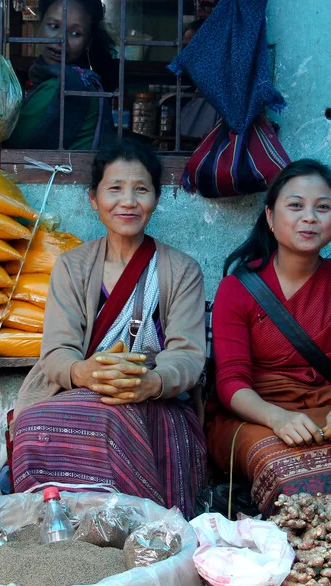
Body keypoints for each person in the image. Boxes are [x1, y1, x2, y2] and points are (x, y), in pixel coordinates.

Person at [11, 139, 207, 517]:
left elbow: (187, 355)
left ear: (156, 197)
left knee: (116, 418)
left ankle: (139, 527)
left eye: (141, 189)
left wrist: (149, 383)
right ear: (93, 198)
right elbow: (56, 352)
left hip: (156, 398)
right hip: (84, 387)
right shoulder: (73, 267)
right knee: (35, 423)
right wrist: (87, 372)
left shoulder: (181, 270)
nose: (128, 202)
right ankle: (53, 523)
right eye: (114, 189)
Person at [207, 159, 331, 515]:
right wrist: (277, 418)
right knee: (280, 467)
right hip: (254, 415)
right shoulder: (237, 289)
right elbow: (231, 382)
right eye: (295, 206)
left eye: (322, 208)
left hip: (330, 409)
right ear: (269, 217)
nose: (309, 217)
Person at [4, 0, 116, 150]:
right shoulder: (83, 80)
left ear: (88, 42)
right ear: (40, 25)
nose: (60, 40)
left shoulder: (65, 84)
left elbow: (10, 141)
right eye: (53, 26)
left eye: (75, 33)